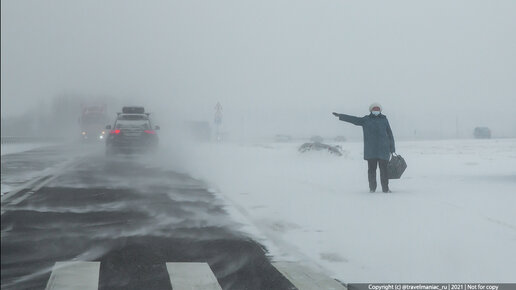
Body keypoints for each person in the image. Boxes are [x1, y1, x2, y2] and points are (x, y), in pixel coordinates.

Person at [332, 103, 395, 193]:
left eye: (377, 109)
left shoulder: (384, 120)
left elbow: (390, 134)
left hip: (383, 150)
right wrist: (341, 116)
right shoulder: (366, 119)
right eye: (374, 109)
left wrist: (392, 148)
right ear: (371, 110)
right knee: (371, 171)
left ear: (380, 110)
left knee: (384, 171)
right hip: (371, 150)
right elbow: (354, 119)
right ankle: (372, 189)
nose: (376, 110)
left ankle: (386, 189)